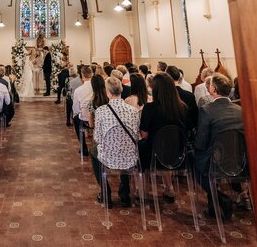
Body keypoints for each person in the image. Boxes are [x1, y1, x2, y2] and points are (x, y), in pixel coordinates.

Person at [195, 74, 243, 220]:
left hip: (215, 161)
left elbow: (201, 143)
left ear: (213, 90)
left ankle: (220, 198)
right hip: (240, 160)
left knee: (194, 161)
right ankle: (213, 207)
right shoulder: (240, 110)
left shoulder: (207, 110)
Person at [90, 77, 140, 208]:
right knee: (126, 146)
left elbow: (98, 138)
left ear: (107, 92)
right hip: (130, 158)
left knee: (93, 150)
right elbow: (137, 135)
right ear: (122, 89)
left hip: (108, 158)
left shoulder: (101, 111)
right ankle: (125, 193)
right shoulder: (134, 111)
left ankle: (106, 192)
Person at [139, 73, 189, 201]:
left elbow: (144, 134)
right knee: (166, 146)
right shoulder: (182, 107)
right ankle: (169, 187)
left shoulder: (150, 108)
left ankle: (143, 188)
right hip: (178, 152)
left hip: (154, 153)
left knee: (141, 147)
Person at [72, 65, 94, 156]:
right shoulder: (98, 87)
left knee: (76, 119)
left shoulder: (78, 90)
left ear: (82, 75)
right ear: (92, 74)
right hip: (97, 119)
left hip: (85, 120)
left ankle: (83, 148)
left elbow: (76, 109)